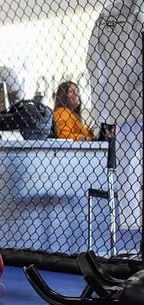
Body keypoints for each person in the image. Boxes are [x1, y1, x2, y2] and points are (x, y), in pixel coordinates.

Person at [86, 0, 142, 230]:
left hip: (121, 106)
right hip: (127, 101)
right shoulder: (114, 12)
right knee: (129, 166)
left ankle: (133, 222)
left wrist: (105, 110)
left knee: (128, 167)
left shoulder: (107, 13)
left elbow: (93, 62)